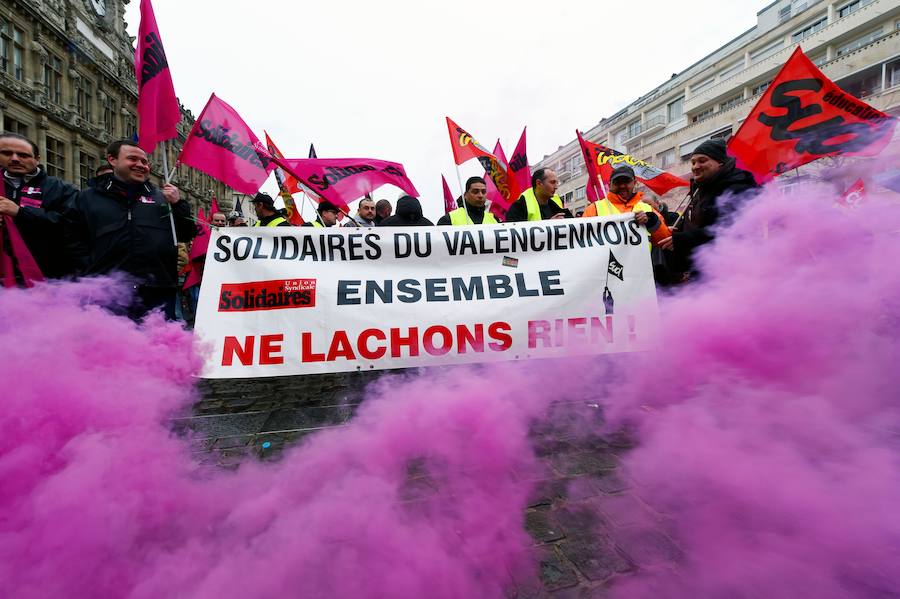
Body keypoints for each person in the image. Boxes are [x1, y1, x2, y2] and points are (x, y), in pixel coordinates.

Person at [64, 139, 196, 319]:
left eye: (144, 161)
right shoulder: (87, 198)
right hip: (107, 291)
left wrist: (178, 204)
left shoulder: (162, 198)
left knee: (157, 344)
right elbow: (71, 239)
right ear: (112, 160)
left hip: (157, 290)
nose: (140, 165)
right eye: (132, 159)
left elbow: (187, 233)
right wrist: (90, 270)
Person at [658, 139, 759, 280]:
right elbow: (695, 221)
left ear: (720, 162)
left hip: (727, 273)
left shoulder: (737, 188)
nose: (695, 166)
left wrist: (683, 239)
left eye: (702, 161)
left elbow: (728, 231)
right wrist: (678, 230)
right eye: (693, 162)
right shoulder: (700, 189)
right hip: (700, 270)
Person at [0, 133, 78, 280]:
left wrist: (20, 213)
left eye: (23, 155)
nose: (15, 159)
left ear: (37, 159)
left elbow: (70, 226)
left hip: (46, 277)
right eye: (7, 153)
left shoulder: (62, 189)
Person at [581, 165, 670, 246]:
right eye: (617, 182)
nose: (622, 186)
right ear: (609, 185)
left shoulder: (647, 209)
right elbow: (580, 240)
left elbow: (665, 240)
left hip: (640, 263)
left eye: (626, 182)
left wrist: (651, 221)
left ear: (635, 183)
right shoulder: (593, 209)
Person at [505, 168, 572, 222]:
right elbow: (516, 235)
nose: (556, 187)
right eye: (552, 182)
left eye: (557, 183)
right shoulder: (519, 207)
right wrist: (549, 225)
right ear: (539, 183)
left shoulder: (558, 202)